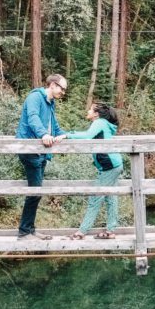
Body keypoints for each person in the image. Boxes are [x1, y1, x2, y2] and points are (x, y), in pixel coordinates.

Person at [15, 74, 68, 239]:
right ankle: (25, 230)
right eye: (61, 88)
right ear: (52, 85)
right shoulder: (35, 97)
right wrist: (43, 134)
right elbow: (33, 118)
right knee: (35, 192)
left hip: (41, 152)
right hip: (30, 149)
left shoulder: (50, 103)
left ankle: (28, 229)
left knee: (36, 191)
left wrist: (67, 135)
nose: (63, 92)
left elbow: (54, 126)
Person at [66, 103, 123, 240]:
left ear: (96, 113)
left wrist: (67, 135)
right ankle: (110, 231)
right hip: (114, 164)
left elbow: (87, 135)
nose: (88, 110)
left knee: (95, 198)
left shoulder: (99, 122)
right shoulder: (103, 123)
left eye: (90, 109)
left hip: (110, 166)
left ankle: (81, 232)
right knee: (111, 197)